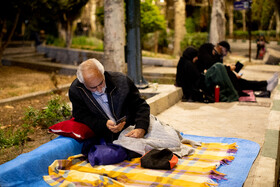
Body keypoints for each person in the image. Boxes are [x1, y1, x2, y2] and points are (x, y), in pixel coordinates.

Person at [69, 58, 150, 143]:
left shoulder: (121, 81)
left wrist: (141, 127)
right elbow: (81, 116)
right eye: (93, 88)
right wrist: (104, 124)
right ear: (83, 83)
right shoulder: (76, 90)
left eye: (101, 83)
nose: (100, 90)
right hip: (104, 135)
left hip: (131, 127)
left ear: (103, 74)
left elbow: (141, 106)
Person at [198, 41, 279, 97]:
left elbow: (219, 68)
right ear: (220, 47)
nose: (225, 53)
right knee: (240, 83)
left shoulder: (219, 57)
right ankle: (265, 85)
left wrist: (231, 70)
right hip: (212, 80)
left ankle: (266, 84)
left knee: (242, 81)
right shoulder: (206, 51)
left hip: (220, 78)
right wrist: (229, 68)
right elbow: (214, 68)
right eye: (225, 51)